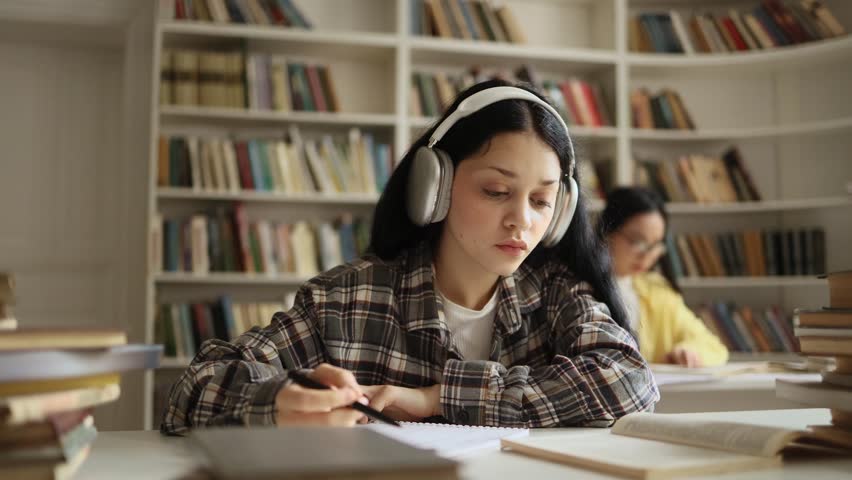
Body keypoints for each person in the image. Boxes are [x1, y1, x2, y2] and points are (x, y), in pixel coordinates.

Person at [161, 80, 658, 434]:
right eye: (495, 190)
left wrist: (437, 398)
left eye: (541, 201)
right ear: (434, 187)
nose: (521, 221)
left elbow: (631, 381)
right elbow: (194, 390)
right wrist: (277, 404)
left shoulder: (555, 292)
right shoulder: (347, 301)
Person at [598, 187, 728, 367]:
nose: (646, 256)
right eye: (637, 241)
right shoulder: (577, 287)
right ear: (608, 231)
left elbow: (713, 346)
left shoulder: (657, 291)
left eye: (654, 246)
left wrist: (688, 351)